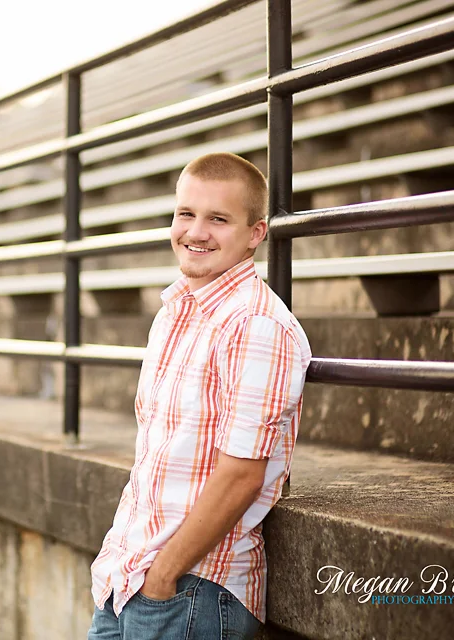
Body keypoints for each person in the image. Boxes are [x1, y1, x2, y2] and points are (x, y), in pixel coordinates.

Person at [88, 152, 312, 639]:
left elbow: (241, 476)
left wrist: (164, 576)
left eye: (218, 218)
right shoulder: (173, 313)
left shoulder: (256, 326)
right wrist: (135, 572)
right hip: (125, 579)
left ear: (255, 233)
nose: (195, 231)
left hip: (192, 589)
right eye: (186, 214)